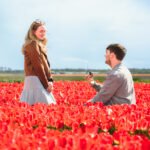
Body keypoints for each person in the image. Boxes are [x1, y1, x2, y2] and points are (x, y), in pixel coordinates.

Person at [20, 20, 56, 105]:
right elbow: (38, 66)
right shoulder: (32, 44)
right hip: (35, 79)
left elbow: (45, 65)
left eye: (44, 31)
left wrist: (50, 80)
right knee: (44, 106)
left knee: (42, 107)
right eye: (41, 31)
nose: (43, 33)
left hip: (40, 79)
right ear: (33, 32)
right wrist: (46, 84)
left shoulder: (39, 45)